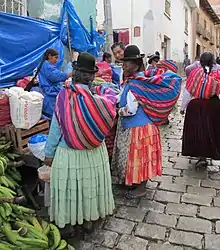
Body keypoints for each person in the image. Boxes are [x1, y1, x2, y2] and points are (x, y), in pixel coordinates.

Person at [44, 52, 116, 230]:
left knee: (71, 188)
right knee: (89, 187)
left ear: (74, 73)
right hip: (94, 152)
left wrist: (49, 153)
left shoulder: (65, 95)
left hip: (68, 152)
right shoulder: (99, 101)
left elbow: (56, 127)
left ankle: (68, 223)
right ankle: (89, 220)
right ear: (92, 76)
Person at [111, 45, 182, 199]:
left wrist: (117, 111)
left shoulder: (138, 83)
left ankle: (141, 187)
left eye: (127, 63)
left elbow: (131, 109)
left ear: (136, 64)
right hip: (137, 126)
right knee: (134, 158)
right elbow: (123, 96)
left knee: (138, 158)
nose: (124, 65)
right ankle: (133, 182)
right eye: (123, 62)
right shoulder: (135, 80)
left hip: (139, 128)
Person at [181, 52, 220, 169]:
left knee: (197, 131)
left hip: (196, 106)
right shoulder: (217, 74)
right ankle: (209, 153)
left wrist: (183, 108)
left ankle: (201, 156)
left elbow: (187, 92)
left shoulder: (195, 73)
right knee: (211, 131)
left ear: (200, 61)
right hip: (213, 105)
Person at [37, 48, 72, 119]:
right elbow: (56, 76)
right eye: (55, 58)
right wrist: (71, 74)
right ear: (49, 56)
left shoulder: (44, 64)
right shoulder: (47, 66)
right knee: (56, 116)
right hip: (50, 94)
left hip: (49, 92)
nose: (56, 60)